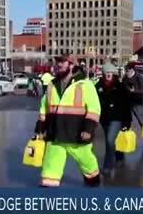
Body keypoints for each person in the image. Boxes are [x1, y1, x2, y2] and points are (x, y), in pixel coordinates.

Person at [35, 54, 101, 187]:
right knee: (50, 169)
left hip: (76, 135)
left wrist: (88, 129)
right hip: (55, 135)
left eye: (62, 62)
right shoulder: (52, 85)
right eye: (57, 61)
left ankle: (93, 184)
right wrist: (40, 129)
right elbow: (44, 108)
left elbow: (94, 109)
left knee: (87, 162)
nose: (58, 64)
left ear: (72, 65)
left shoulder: (85, 85)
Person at [95, 63, 132, 177]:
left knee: (110, 141)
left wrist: (127, 121)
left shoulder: (120, 86)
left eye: (110, 73)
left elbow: (127, 104)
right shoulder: (98, 86)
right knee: (111, 140)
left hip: (117, 118)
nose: (108, 75)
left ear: (114, 73)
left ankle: (107, 166)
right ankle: (119, 156)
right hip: (104, 118)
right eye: (106, 73)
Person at [122, 62, 143, 153]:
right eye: (126, 70)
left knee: (142, 122)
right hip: (127, 103)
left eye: (128, 70)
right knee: (126, 123)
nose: (126, 72)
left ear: (132, 70)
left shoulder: (139, 77)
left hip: (138, 104)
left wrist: (135, 91)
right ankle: (124, 143)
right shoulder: (125, 78)